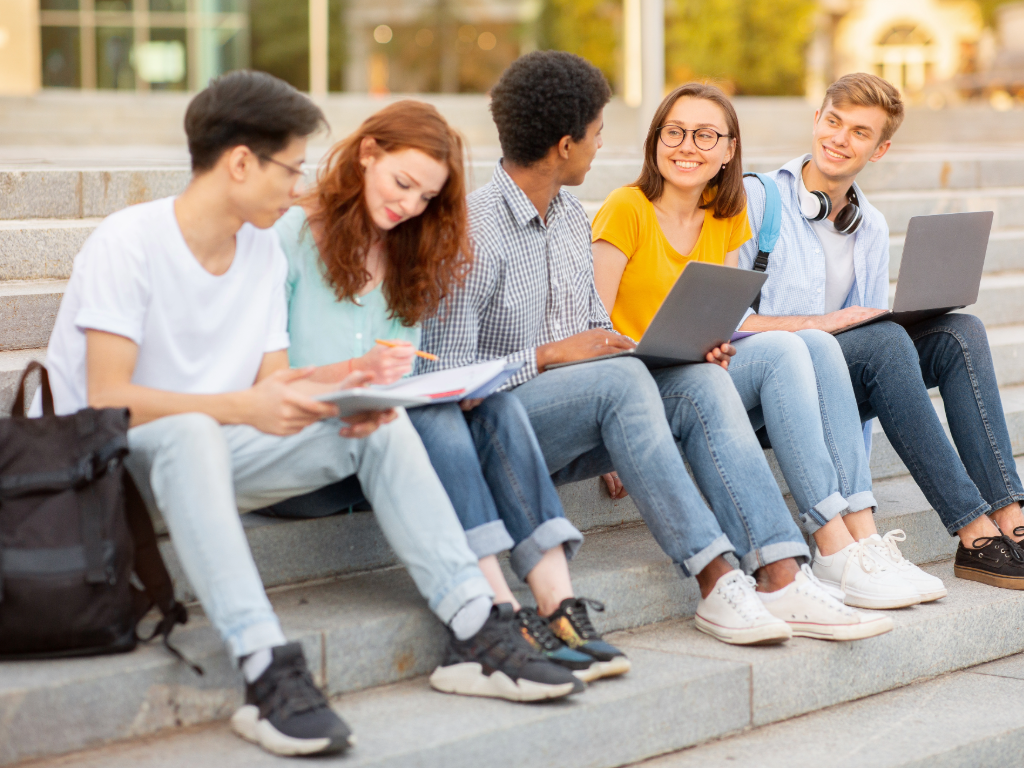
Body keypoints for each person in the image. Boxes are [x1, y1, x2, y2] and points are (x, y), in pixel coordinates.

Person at [36, 72, 584, 759]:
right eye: (290, 167)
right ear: (240, 161)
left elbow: (274, 383)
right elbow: (105, 402)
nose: (299, 187)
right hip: (109, 466)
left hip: (220, 450)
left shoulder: (261, 247)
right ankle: (265, 665)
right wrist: (246, 407)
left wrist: (349, 392)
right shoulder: (130, 242)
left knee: (378, 431)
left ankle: (475, 628)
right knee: (190, 434)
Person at [420, 50, 893, 646]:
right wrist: (548, 358)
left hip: (585, 404)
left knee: (699, 379)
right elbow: (441, 377)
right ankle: (716, 577)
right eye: (595, 135)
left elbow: (599, 334)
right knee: (624, 382)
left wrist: (678, 351)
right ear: (565, 145)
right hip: (500, 424)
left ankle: (780, 574)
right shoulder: (469, 230)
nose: (600, 147)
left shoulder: (568, 216)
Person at [274, 99, 629, 685]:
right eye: (402, 183)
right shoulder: (289, 237)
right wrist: (356, 371)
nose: (409, 205)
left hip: (383, 446)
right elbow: (265, 379)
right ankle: (497, 613)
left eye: (426, 198)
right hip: (310, 448)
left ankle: (557, 605)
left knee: (492, 401)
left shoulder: (403, 250)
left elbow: (403, 368)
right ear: (367, 154)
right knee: (436, 419)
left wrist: (434, 382)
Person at [590, 82, 944, 609]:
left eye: (706, 135)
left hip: (700, 370)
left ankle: (855, 541)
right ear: (655, 140)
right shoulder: (625, 207)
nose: (688, 145)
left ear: (730, 149)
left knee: (815, 345)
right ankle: (830, 539)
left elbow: (728, 321)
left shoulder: (727, 216)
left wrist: (808, 327)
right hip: (638, 384)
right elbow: (589, 326)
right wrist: (612, 429)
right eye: (675, 132)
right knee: (788, 347)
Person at [738, 72, 1024, 590]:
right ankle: (974, 533)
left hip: (835, 382)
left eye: (859, 132)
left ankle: (1012, 518)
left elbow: (864, 338)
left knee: (961, 332)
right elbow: (726, 322)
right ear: (816, 119)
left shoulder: (868, 224)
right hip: (770, 384)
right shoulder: (756, 199)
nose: (839, 139)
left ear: (880, 149)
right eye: (833, 121)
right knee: (885, 341)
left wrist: (851, 461)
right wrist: (818, 325)